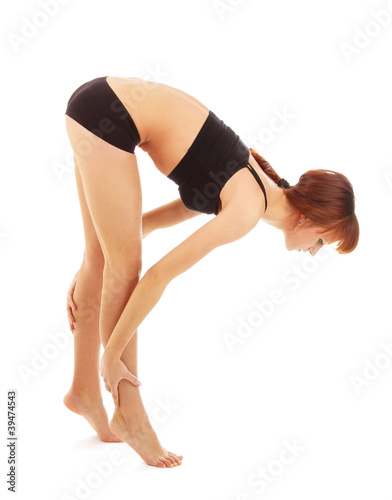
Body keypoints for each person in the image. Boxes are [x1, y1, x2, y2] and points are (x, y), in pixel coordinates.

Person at [63, 76, 359, 469]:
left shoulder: (256, 183)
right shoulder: (247, 209)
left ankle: (84, 390)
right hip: (106, 116)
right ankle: (129, 410)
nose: (315, 251)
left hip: (97, 105)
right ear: (309, 218)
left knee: (105, 258)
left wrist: (89, 268)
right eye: (324, 241)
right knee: (124, 265)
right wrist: (112, 355)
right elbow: (154, 276)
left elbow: (151, 221)